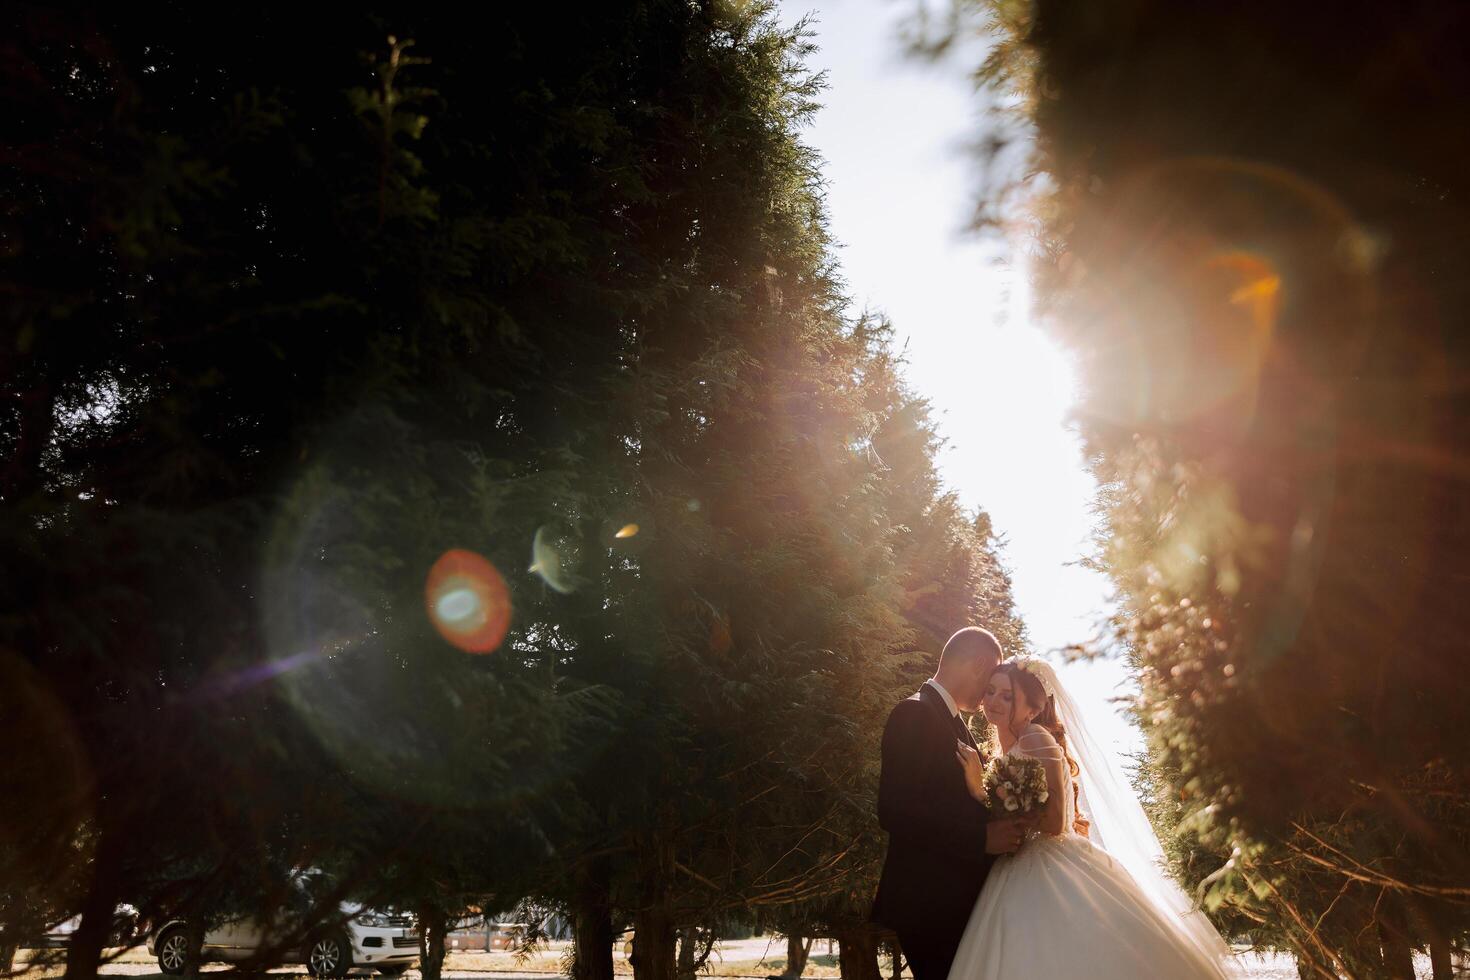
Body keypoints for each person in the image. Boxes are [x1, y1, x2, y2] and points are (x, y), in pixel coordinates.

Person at [949, 660, 1233, 979]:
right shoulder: (1006, 745)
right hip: (1015, 866)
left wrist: (979, 790)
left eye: (1007, 696)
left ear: (1032, 708)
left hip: (1048, 863)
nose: (993, 702)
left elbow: (1056, 823)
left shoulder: (1036, 738)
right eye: (991, 692)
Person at [870, 627, 1030, 980]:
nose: (989, 693)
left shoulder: (953, 722)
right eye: (990, 678)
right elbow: (894, 809)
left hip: (954, 900)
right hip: (929, 901)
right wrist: (981, 838)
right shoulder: (914, 713)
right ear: (978, 664)